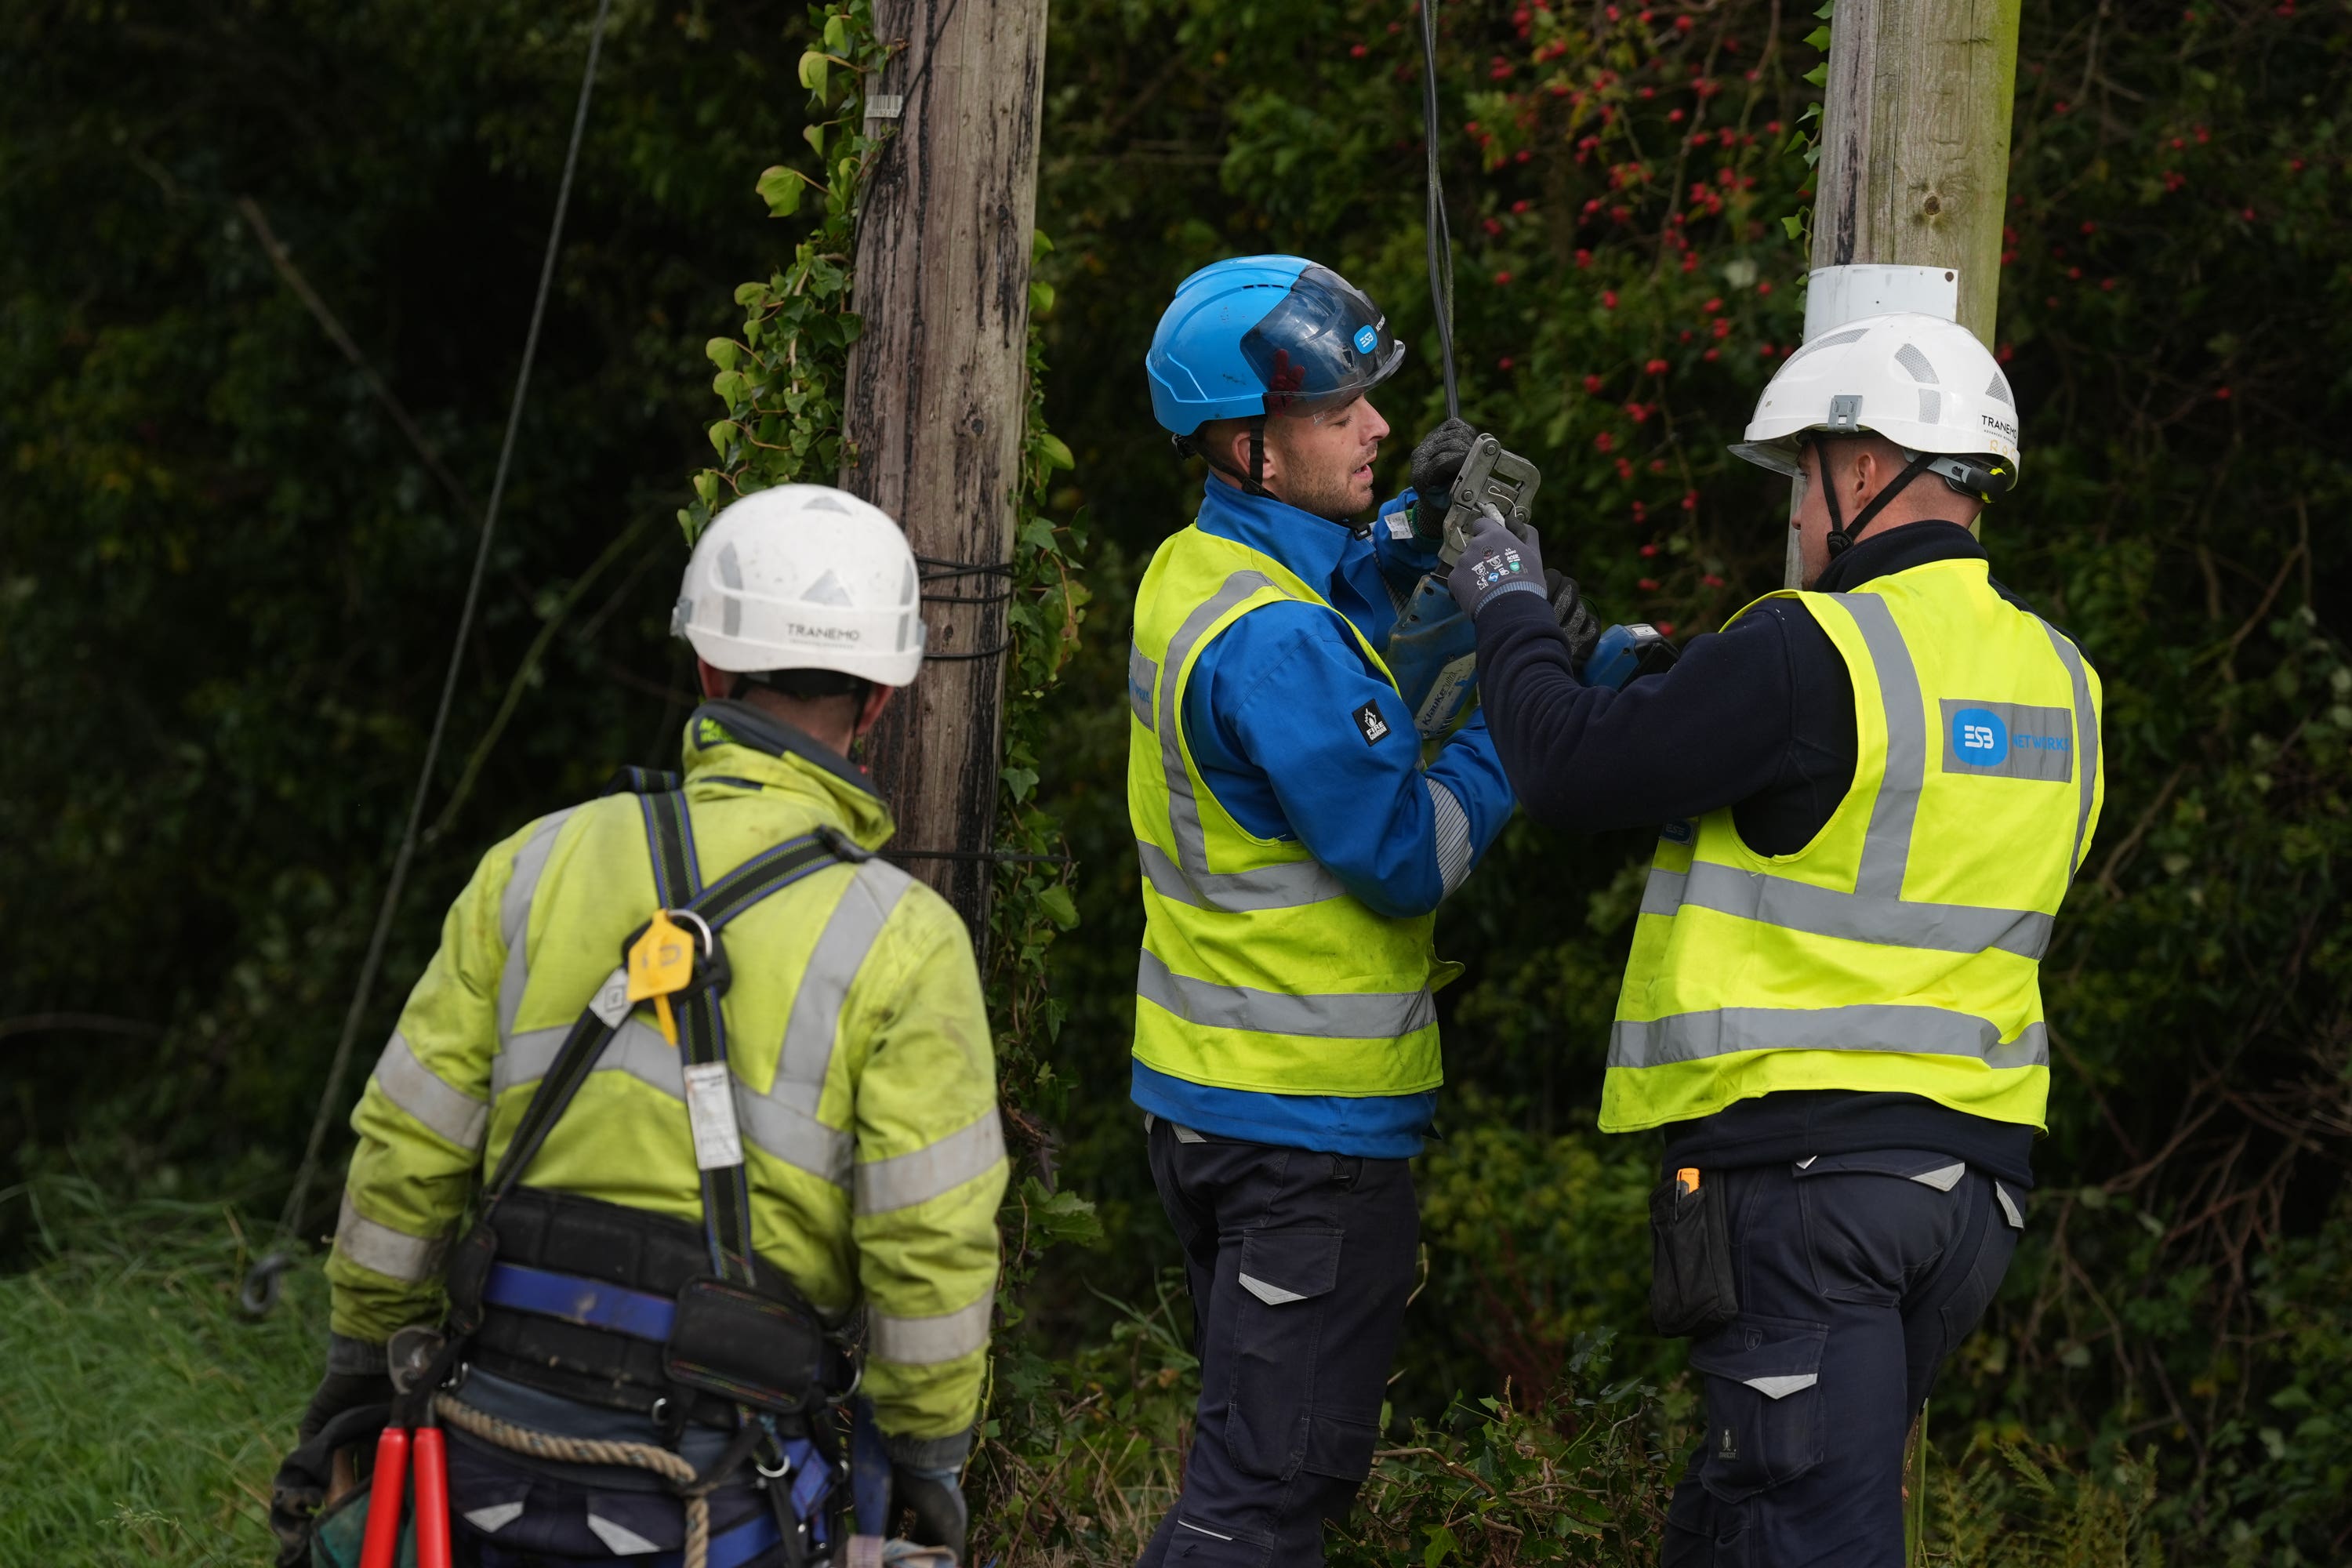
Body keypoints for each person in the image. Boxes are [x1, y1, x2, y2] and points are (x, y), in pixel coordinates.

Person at [1446, 310, 2104, 1566]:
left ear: (1866, 470)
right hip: (1970, 1197)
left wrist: (1507, 607)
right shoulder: (2061, 679)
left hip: (1814, 1192)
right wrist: (1627, 658)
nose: (1798, 512)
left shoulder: (1814, 652)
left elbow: (1573, 773)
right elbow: (1821, 764)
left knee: (1805, 1541)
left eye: (1804, 475)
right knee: (1742, 1527)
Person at [271, 485, 1007, 1567]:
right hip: (718, 1485)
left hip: (482, 1446)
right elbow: (931, 1254)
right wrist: (928, 1468)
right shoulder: (907, 939)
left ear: (708, 669)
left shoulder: (535, 864)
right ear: (885, 698)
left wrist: (357, 1377)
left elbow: (403, 1156)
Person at [1127, 255, 1535, 1566]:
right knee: (1264, 1503)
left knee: (1255, 1469)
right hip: (1307, 1131)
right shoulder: (1274, 642)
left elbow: (1340, 601)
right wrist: (1530, 722)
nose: (1374, 428)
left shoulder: (1204, 569)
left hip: (1214, 1102)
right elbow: (1405, 852)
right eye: (1339, 411)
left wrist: (1411, 530)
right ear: (1249, 444)